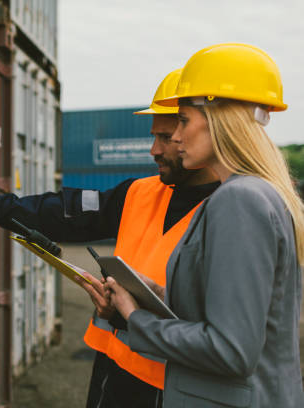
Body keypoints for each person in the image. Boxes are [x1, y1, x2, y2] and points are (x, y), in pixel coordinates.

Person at [0, 69, 220, 408]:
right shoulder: (139, 192)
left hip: (177, 386)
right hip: (114, 373)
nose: (154, 149)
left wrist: (133, 313)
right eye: (156, 136)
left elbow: (227, 331)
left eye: (167, 136)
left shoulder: (233, 211)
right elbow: (60, 212)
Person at [107, 43, 304, 408]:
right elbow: (240, 317)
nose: (175, 136)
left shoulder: (239, 200)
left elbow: (231, 351)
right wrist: (157, 296)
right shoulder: (258, 194)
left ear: (220, 117)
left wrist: (135, 318)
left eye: (183, 120)